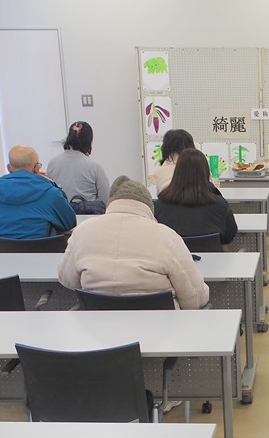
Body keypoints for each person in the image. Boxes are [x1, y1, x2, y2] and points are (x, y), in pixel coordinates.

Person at [58, 176, 209, 309]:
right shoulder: (167, 237)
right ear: (148, 206)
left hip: (98, 329)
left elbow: (67, 280)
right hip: (161, 330)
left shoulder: (82, 232)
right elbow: (195, 299)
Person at [0, 145, 76, 240]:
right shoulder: (51, 192)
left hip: (1, 249)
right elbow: (69, 222)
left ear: (9, 168)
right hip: (41, 248)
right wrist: (51, 183)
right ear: (37, 168)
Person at [154, 148, 238, 247]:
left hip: (174, 256)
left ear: (177, 172)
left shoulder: (160, 205)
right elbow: (228, 236)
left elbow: (158, 237)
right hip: (212, 256)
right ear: (205, 172)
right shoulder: (219, 204)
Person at [46, 121, 110, 206]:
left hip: (60, 212)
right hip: (88, 213)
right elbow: (105, 199)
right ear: (89, 140)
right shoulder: (95, 167)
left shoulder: (52, 164)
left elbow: (49, 195)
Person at [154, 129, 208, 193]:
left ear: (165, 147)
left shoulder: (159, 167)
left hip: (167, 198)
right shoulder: (199, 163)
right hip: (198, 197)